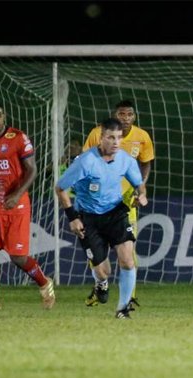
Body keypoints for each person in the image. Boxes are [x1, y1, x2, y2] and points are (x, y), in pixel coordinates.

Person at [55, 118, 148, 319]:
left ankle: (123, 309)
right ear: (101, 138)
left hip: (116, 213)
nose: (116, 142)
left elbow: (139, 184)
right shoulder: (85, 162)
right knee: (104, 271)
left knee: (127, 260)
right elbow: (60, 188)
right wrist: (73, 218)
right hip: (88, 218)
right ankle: (101, 284)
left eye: (119, 138)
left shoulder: (125, 160)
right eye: (111, 137)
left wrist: (140, 195)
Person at [0, 100, 56, 310]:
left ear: (4, 116)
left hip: (17, 206)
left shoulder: (18, 138)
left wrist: (17, 194)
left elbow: (32, 170)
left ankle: (44, 282)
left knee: (18, 257)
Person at [81, 100, 155, 307]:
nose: (125, 118)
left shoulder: (142, 137)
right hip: (97, 203)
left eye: (129, 114)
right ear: (115, 114)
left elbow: (146, 163)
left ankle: (129, 297)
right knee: (96, 251)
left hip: (125, 204)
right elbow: (84, 161)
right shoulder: (97, 133)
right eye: (121, 114)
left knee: (128, 251)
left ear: (134, 117)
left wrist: (139, 188)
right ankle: (100, 286)